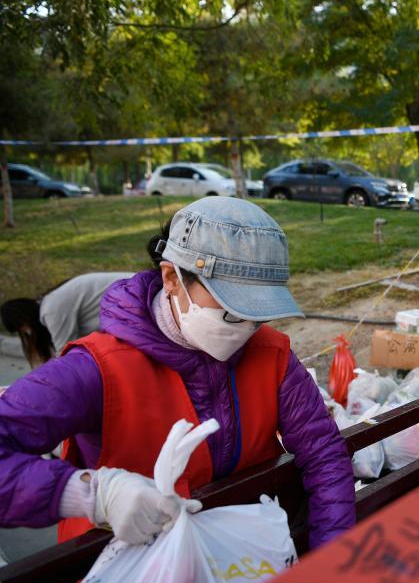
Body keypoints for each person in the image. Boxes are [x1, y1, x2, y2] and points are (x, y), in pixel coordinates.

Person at [0, 196, 356, 549]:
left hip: (241, 557)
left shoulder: (270, 354)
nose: (247, 327)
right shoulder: (96, 368)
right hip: (127, 570)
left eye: (259, 314)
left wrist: (332, 556)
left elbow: (323, 453)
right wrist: (91, 494)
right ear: (171, 278)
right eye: (232, 310)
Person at [1, 272, 133, 368]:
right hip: (131, 295)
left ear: (24, 320)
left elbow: (66, 353)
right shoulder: (52, 303)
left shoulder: (52, 311)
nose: (27, 332)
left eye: (22, 329)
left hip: (134, 295)